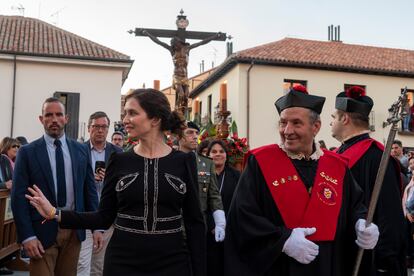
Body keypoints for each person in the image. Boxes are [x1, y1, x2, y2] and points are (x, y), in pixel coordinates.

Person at [26, 89, 206, 275]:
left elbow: (195, 222)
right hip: (123, 261)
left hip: (172, 261)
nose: (125, 119)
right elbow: (103, 217)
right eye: (125, 113)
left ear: (155, 119)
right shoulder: (119, 160)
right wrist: (56, 213)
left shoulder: (184, 162)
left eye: (132, 113)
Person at [225, 85, 379, 276]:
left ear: (316, 127)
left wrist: (361, 224)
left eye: (296, 123)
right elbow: (243, 216)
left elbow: (355, 206)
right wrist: (283, 240)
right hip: (279, 266)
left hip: (328, 265)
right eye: (283, 123)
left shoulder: (337, 166)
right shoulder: (261, 162)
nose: (287, 131)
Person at [11, 97, 99, 276]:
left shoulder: (80, 150)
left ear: (66, 118)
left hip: (74, 231)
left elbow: (89, 190)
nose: (54, 119)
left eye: (58, 114)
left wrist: (97, 226)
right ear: (41, 119)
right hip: (41, 233)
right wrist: (27, 236)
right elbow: (18, 197)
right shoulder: (27, 152)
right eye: (48, 115)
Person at [331, 86, 406, 275]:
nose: (330, 122)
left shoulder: (379, 158)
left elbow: (389, 215)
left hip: (367, 259)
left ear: (345, 118)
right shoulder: (338, 154)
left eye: (333, 117)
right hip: (340, 253)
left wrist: (384, 262)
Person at [77, 112, 123, 276]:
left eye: (104, 127)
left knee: (100, 266)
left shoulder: (117, 153)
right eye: (96, 126)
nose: (100, 130)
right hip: (85, 215)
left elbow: (124, 184)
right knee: (82, 264)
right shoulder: (79, 150)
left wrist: (109, 178)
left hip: (108, 218)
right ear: (89, 128)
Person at [178, 121, 226, 243]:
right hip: (174, 227)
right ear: (178, 135)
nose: (195, 136)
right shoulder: (169, 160)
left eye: (196, 133)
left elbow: (214, 195)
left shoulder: (206, 164)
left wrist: (220, 223)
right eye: (189, 133)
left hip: (198, 227)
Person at [206, 139, 240, 276]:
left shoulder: (237, 176)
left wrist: (228, 224)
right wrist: (211, 225)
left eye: (221, 151)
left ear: (226, 155)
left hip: (231, 231)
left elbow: (241, 203)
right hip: (207, 232)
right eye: (213, 151)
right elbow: (197, 204)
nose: (218, 154)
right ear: (207, 155)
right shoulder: (201, 175)